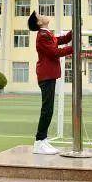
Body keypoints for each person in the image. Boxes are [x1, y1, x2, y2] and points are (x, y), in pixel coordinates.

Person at [28, 10, 72, 154]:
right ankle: (39, 142)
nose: (43, 15)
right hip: (46, 75)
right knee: (47, 109)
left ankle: (43, 140)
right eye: (40, 16)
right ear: (39, 22)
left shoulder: (47, 34)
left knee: (48, 109)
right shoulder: (42, 36)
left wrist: (74, 30)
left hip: (49, 75)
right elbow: (55, 52)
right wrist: (74, 48)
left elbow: (62, 39)